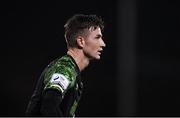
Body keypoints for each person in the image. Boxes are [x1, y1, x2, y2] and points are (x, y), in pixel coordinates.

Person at [25, 14, 106, 117]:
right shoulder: (64, 68)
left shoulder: (72, 71)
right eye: (97, 37)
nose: (103, 44)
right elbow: (49, 105)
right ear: (81, 41)